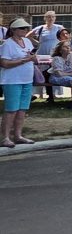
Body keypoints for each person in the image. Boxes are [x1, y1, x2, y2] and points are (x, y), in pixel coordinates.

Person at [1, 18, 38, 147]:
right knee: (11, 109)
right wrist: (23, 61)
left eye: (26, 28)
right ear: (14, 30)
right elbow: (4, 63)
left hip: (27, 79)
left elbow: (33, 58)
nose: (25, 30)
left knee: (22, 109)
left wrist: (33, 58)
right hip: (12, 80)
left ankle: (18, 135)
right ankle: (5, 137)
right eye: (22, 28)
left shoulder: (27, 41)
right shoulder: (7, 44)